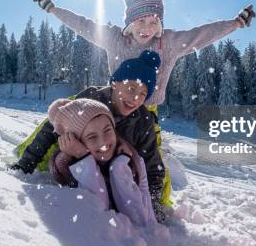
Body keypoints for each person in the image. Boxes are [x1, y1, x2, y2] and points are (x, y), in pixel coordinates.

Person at [33, 0, 256, 205]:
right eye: (140, 21)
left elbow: (199, 35)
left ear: (159, 23)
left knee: (150, 162)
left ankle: (156, 205)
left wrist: (235, 23)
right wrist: (53, 9)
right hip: (107, 105)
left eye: (153, 22)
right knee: (62, 118)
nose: (146, 28)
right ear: (130, 22)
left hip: (146, 112)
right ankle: (36, 164)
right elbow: (84, 25)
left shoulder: (167, 43)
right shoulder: (114, 38)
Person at [11, 50, 169, 221]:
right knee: (62, 157)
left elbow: (153, 166)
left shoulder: (143, 120)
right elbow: (51, 128)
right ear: (115, 83)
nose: (135, 98)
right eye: (131, 88)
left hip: (115, 177)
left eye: (143, 94)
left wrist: (153, 206)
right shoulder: (93, 97)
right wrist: (26, 164)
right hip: (81, 166)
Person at [47, 97, 156, 227]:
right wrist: (84, 158)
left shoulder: (131, 157)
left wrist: (118, 168)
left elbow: (141, 219)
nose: (103, 143)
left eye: (107, 130)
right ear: (77, 142)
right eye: (91, 137)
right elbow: (98, 211)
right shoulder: (67, 167)